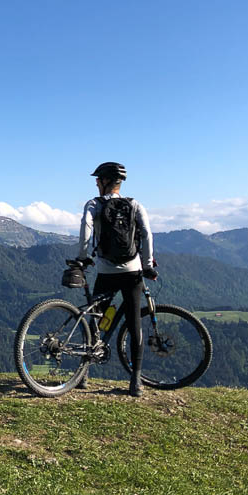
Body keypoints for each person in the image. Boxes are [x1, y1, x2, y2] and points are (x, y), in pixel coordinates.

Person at [73, 162, 155, 396]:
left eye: (98, 180)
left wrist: (83, 257)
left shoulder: (94, 204)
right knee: (134, 324)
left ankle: (83, 375)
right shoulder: (135, 205)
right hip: (132, 273)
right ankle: (136, 382)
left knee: (97, 319)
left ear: (105, 181)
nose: (96, 183)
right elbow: (147, 234)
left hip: (106, 272)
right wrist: (147, 265)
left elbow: (85, 227)